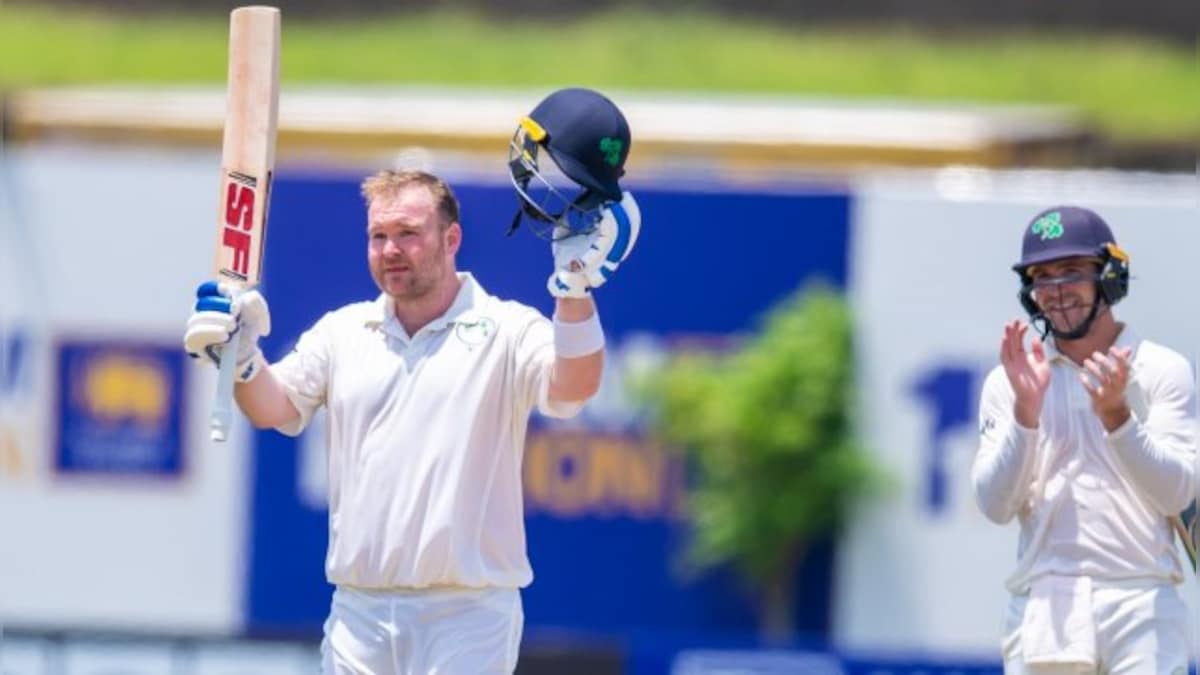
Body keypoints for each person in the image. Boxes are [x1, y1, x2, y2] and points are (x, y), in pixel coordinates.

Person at [184, 87, 640, 674]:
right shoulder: (345, 331)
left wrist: (576, 292)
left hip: (467, 615)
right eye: (378, 236)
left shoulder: (504, 328)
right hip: (359, 612)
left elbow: (574, 387)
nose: (391, 250)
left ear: (451, 239)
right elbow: (272, 407)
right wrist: (241, 357)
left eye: (408, 234)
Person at [971, 206, 1195, 674]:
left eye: (1071, 271)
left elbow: (1177, 493)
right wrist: (1025, 416)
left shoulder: (1160, 370)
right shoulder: (1009, 382)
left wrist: (1118, 417)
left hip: (1142, 597)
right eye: (1042, 276)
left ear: (1110, 276)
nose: (1056, 291)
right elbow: (995, 506)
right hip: (1046, 600)